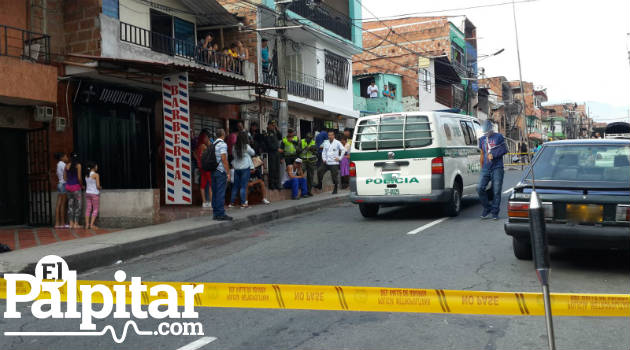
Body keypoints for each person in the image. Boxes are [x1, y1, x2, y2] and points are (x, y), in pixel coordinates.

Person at [477, 120, 508, 220]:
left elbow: (504, 149)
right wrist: (481, 166)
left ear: (491, 129)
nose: (486, 134)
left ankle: (495, 212)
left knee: (496, 191)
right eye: (484, 132)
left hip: (497, 168)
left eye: (487, 132)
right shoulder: (481, 139)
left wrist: (494, 155)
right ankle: (487, 208)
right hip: (486, 168)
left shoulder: (498, 137)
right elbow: (482, 153)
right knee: (479, 188)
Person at [230, 131, 255, 208]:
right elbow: (253, 153)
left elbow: (233, 155)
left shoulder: (234, 146)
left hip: (237, 168)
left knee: (235, 186)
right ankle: (243, 203)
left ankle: (231, 203)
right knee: (243, 186)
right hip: (245, 168)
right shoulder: (246, 146)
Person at [211, 129, 232, 221]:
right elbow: (224, 159)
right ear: (223, 135)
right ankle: (220, 213)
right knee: (220, 192)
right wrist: (228, 172)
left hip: (213, 171)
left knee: (215, 192)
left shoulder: (213, 144)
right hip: (220, 171)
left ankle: (215, 213)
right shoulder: (222, 144)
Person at [64, 152, 83, 229]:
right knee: (78, 206)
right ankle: (76, 223)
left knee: (70, 206)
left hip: (68, 188)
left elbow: (64, 178)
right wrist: (81, 185)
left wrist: (69, 182)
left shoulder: (66, 165)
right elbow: (79, 178)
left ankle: (71, 223)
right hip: (76, 188)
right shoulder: (78, 165)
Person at [195, 130, 212, 208]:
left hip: (202, 169)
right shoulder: (204, 147)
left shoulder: (199, 147)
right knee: (210, 185)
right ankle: (211, 202)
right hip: (207, 168)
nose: (207, 139)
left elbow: (195, 155)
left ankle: (204, 202)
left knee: (202, 185)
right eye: (206, 138)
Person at [264, 120, 282, 190]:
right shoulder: (267, 134)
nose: (273, 126)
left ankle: (277, 184)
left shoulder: (274, 133)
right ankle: (272, 184)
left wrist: (277, 129)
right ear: (268, 125)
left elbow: (280, 137)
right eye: (272, 125)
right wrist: (276, 149)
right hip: (271, 153)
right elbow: (269, 145)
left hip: (276, 154)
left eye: (274, 125)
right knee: (272, 169)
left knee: (277, 169)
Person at [84, 161, 101, 229]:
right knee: (95, 209)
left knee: (88, 209)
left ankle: (87, 225)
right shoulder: (96, 175)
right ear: (93, 167)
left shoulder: (86, 175)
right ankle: (91, 225)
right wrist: (100, 187)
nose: (97, 167)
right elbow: (98, 186)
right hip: (94, 193)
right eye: (96, 166)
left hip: (88, 193)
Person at [54, 152, 69, 229]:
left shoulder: (58, 164)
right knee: (63, 204)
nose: (67, 158)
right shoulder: (63, 164)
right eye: (66, 156)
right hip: (63, 184)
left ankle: (57, 223)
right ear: (62, 157)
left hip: (59, 184)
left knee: (58, 204)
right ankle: (63, 223)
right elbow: (66, 174)